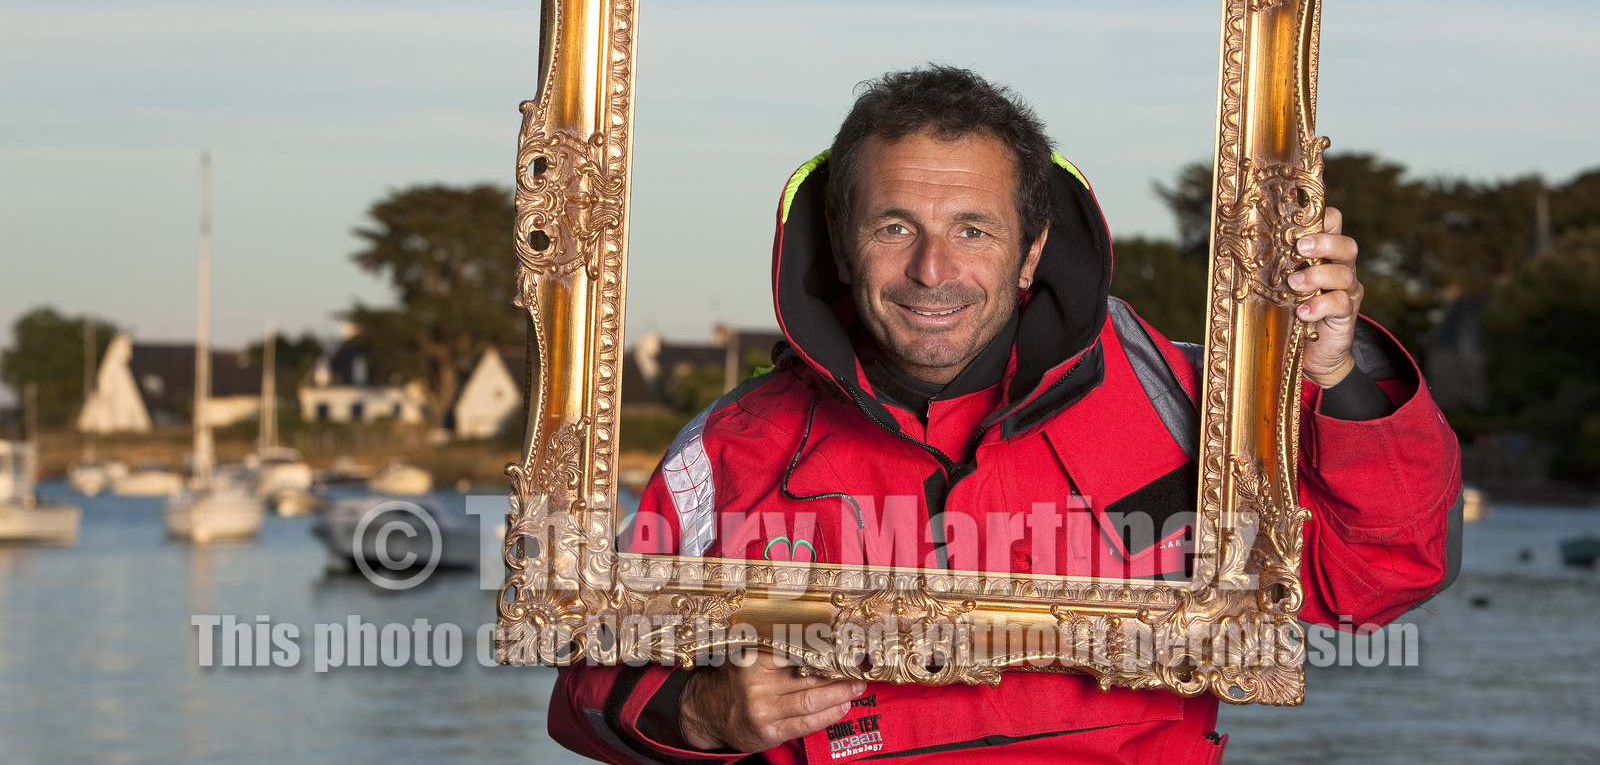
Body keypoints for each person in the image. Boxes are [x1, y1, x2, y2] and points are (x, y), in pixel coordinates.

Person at [549, 66, 1462, 764]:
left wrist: (1337, 375)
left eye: (973, 230)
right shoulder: (728, 455)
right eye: (894, 226)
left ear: (1032, 252)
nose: (933, 270)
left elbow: (1378, 579)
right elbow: (585, 685)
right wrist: (700, 712)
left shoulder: (1195, 411)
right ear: (840, 243)